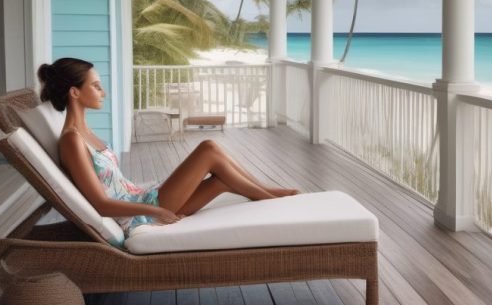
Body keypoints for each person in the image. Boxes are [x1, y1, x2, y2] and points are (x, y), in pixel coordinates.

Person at [38, 58, 299, 233]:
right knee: (208, 148)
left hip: (144, 198)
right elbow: (100, 204)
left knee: (222, 181)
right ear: (75, 92)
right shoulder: (72, 140)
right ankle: (272, 198)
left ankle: (269, 194)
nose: (102, 92)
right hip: (139, 214)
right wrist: (154, 210)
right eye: (96, 86)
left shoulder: (84, 132)